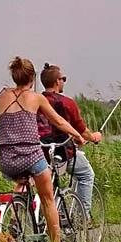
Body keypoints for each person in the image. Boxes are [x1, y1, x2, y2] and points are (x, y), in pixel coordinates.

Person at [0, 56, 85, 242]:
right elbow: (59, 122)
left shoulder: (1, 96)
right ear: (33, 78)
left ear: (14, 75)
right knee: (47, 199)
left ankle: (14, 216)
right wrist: (77, 136)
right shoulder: (36, 98)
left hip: (6, 159)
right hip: (30, 155)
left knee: (21, 181)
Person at [37, 63, 102, 214]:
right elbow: (82, 131)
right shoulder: (67, 103)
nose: (64, 82)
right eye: (63, 79)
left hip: (40, 153)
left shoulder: (35, 101)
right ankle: (83, 217)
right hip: (63, 152)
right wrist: (94, 137)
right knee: (86, 175)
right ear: (56, 81)